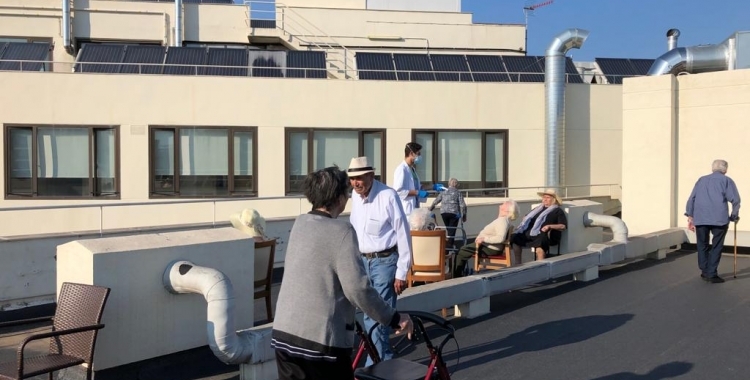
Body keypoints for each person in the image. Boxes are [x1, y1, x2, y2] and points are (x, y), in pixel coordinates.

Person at [272, 166, 413, 380]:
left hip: (284, 334)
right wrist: (393, 318)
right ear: (339, 197)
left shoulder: (300, 223)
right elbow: (358, 289)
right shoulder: (342, 231)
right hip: (321, 341)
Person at [347, 156, 412, 365]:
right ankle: (384, 363)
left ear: (371, 176)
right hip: (363, 261)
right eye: (352, 179)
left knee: (375, 316)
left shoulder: (388, 195)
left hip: (385, 262)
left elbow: (403, 233)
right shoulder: (355, 197)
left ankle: (375, 364)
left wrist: (402, 272)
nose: (355, 183)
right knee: (372, 313)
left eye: (359, 178)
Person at [685, 159, 741, 284]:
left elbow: (692, 198)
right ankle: (711, 273)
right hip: (719, 219)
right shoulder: (726, 180)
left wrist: (690, 215)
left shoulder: (701, 180)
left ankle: (705, 271)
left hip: (701, 218)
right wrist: (734, 215)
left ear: (712, 168)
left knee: (702, 244)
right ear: (725, 169)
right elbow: (735, 200)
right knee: (717, 246)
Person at [453, 200, 519, 277]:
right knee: (464, 250)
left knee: (461, 251)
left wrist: (484, 239)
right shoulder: (503, 220)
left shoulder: (502, 221)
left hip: (489, 247)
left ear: (506, 209)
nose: (500, 205)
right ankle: (459, 274)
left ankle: (456, 277)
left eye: (503, 204)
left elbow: (500, 238)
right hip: (488, 246)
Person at [511, 189, 568, 262]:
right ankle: (518, 263)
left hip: (543, 233)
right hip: (530, 232)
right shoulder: (537, 209)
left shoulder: (557, 210)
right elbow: (528, 216)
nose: (545, 199)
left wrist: (549, 226)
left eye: (548, 197)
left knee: (540, 242)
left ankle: (540, 266)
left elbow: (563, 226)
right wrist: (525, 218)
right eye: (544, 197)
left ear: (553, 199)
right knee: (515, 237)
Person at [393, 142, 445, 216]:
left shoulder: (412, 170)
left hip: (415, 209)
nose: (420, 156)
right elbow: (398, 191)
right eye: (418, 154)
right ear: (411, 153)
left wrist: (433, 186)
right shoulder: (401, 169)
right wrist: (417, 193)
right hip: (406, 211)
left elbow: (418, 187)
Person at [429, 178, 467, 248]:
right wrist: (464, 216)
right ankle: (450, 246)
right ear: (456, 185)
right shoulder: (458, 193)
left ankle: (448, 244)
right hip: (454, 213)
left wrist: (430, 209)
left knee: (449, 228)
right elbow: (463, 205)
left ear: (449, 184)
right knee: (452, 229)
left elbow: (436, 201)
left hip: (444, 213)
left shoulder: (443, 191)